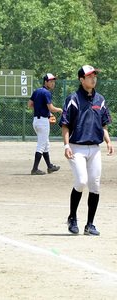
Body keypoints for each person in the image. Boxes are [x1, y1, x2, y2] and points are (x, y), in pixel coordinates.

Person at [60, 65, 114, 236]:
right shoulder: (73, 99)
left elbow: (103, 124)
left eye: (94, 76)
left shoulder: (100, 99)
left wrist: (108, 141)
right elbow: (65, 124)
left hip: (95, 148)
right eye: (89, 76)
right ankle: (72, 217)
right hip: (77, 147)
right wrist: (66, 145)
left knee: (95, 186)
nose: (93, 79)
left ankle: (90, 224)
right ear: (81, 79)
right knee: (82, 181)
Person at [27, 73, 63, 175]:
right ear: (45, 82)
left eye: (53, 81)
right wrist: (59, 109)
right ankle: (34, 169)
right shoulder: (47, 93)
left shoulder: (37, 91)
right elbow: (51, 108)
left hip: (36, 121)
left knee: (46, 144)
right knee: (41, 146)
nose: (52, 83)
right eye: (50, 81)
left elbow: (29, 105)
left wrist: (41, 110)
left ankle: (50, 167)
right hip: (43, 122)